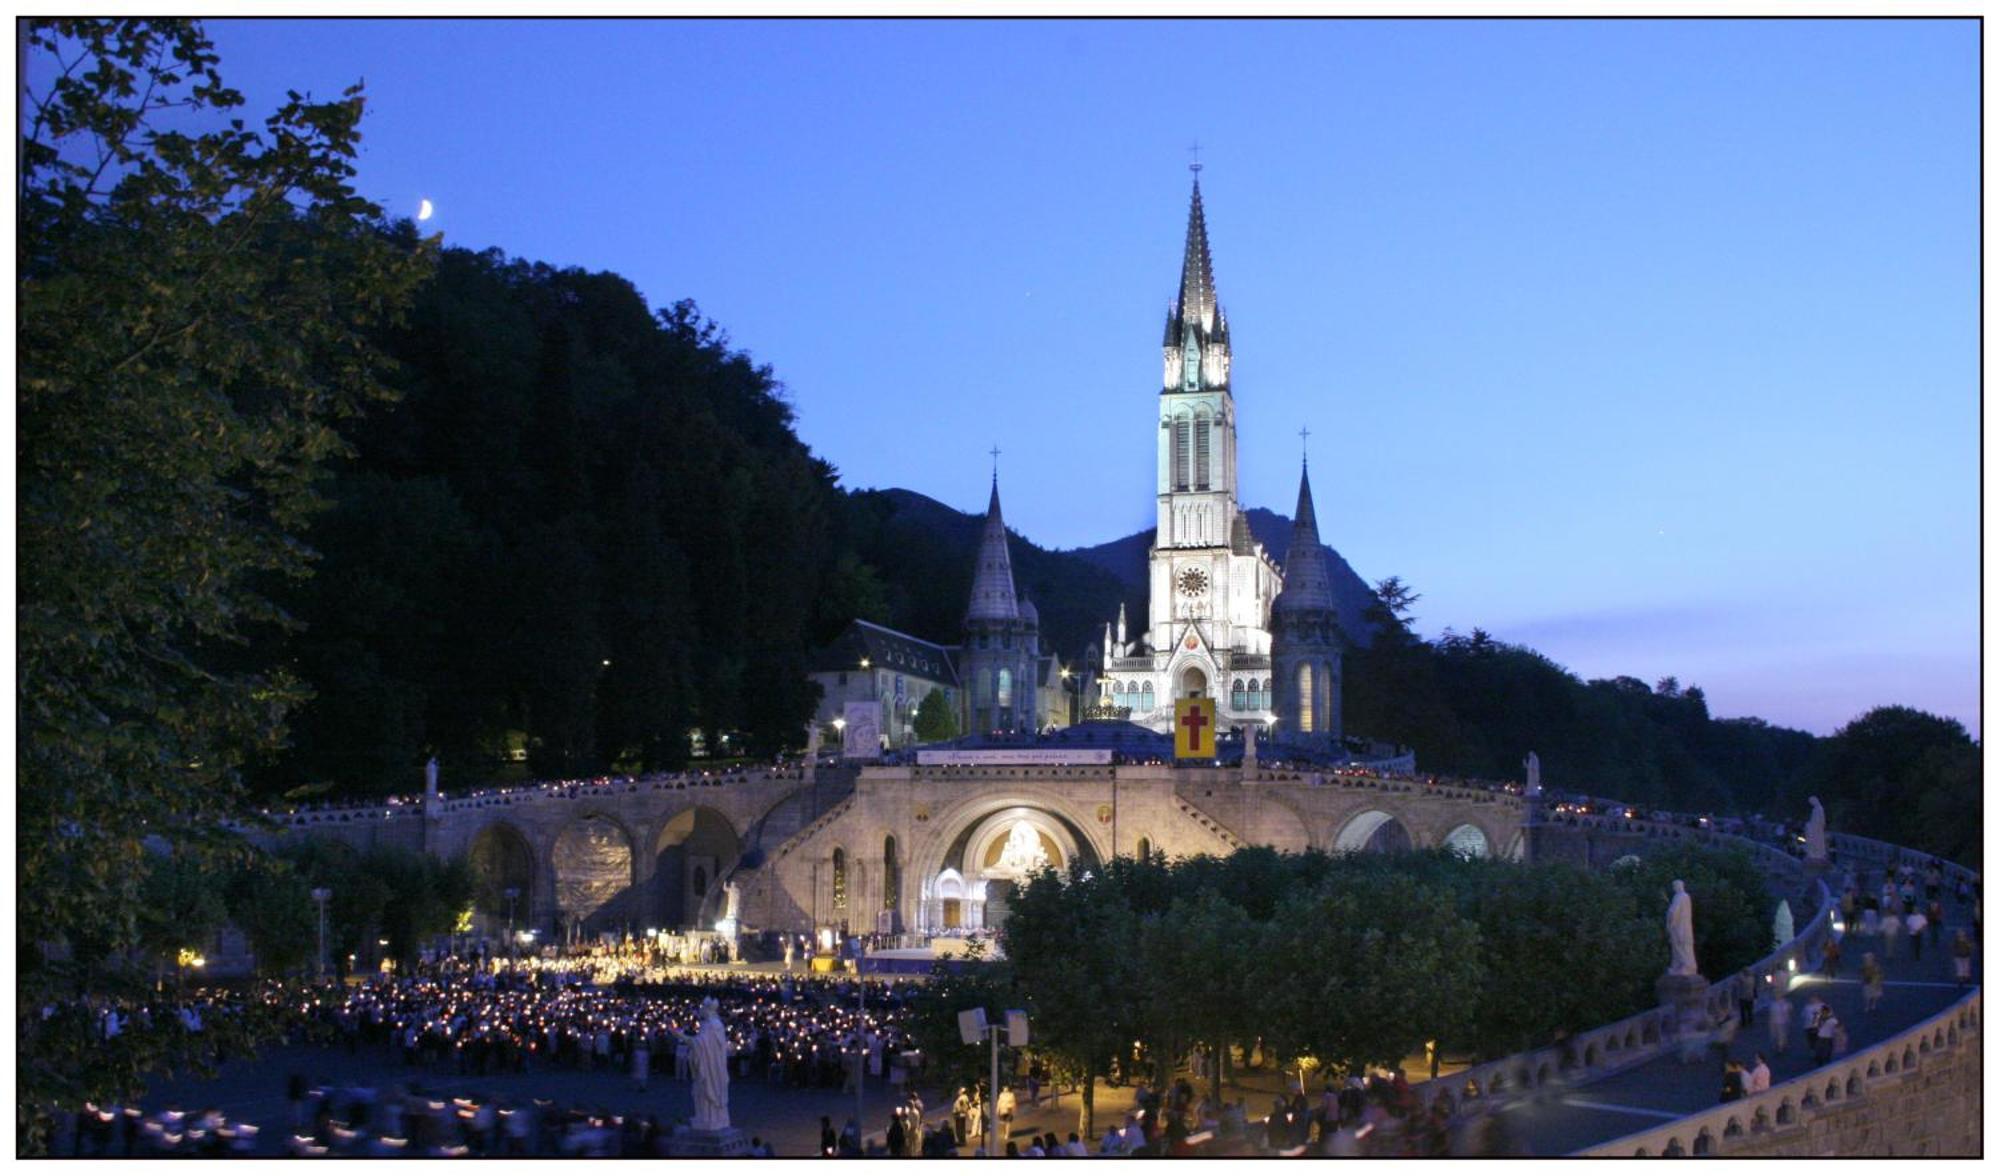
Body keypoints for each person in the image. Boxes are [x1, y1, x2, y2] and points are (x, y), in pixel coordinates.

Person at [1767, 987, 1792, 1054]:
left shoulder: (1786, 1003)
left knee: (1782, 1034)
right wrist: (1770, 1021)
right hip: (1774, 1022)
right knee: (1774, 1035)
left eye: (1778, 994)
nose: (1776, 996)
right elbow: (1771, 1013)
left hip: (1782, 1022)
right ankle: (1779, 1045)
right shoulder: (1773, 1003)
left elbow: (1788, 1012)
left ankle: (1781, 1047)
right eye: (1775, 994)